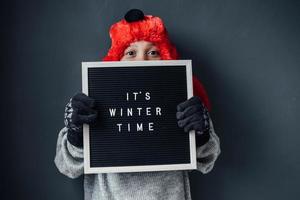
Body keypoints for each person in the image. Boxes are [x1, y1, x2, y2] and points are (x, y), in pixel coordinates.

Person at [54, 9, 221, 200]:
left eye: (153, 52)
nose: (142, 60)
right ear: (117, 60)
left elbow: (208, 159)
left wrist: (201, 133)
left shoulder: (182, 101)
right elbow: (66, 166)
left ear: (165, 58)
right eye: (131, 52)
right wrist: (76, 132)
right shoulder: (95, 102)